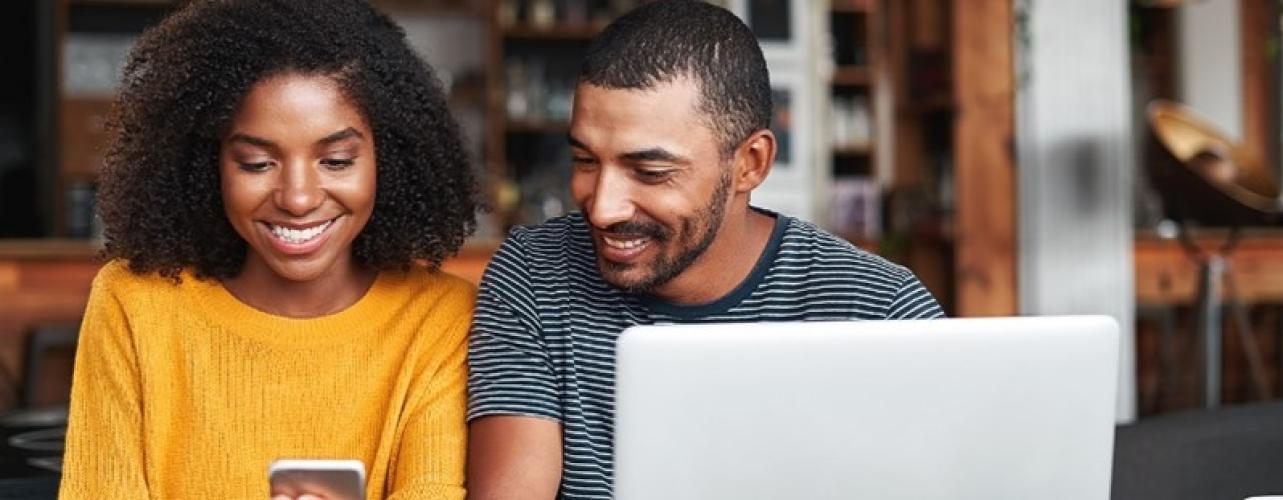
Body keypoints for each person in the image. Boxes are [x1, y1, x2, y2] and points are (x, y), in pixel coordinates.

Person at [465, 1, 945, 498]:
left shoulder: (880, 309)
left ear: (750, 164)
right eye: (585, 160)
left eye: (650, 172)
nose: (603, 208)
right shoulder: (535, 272)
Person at [58, 0, 478, 498]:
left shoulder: (439, 319)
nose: (297, 198)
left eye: (337, 161)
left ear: (388, 158)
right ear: (205, 165)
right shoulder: (134, 304)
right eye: (257, 164)